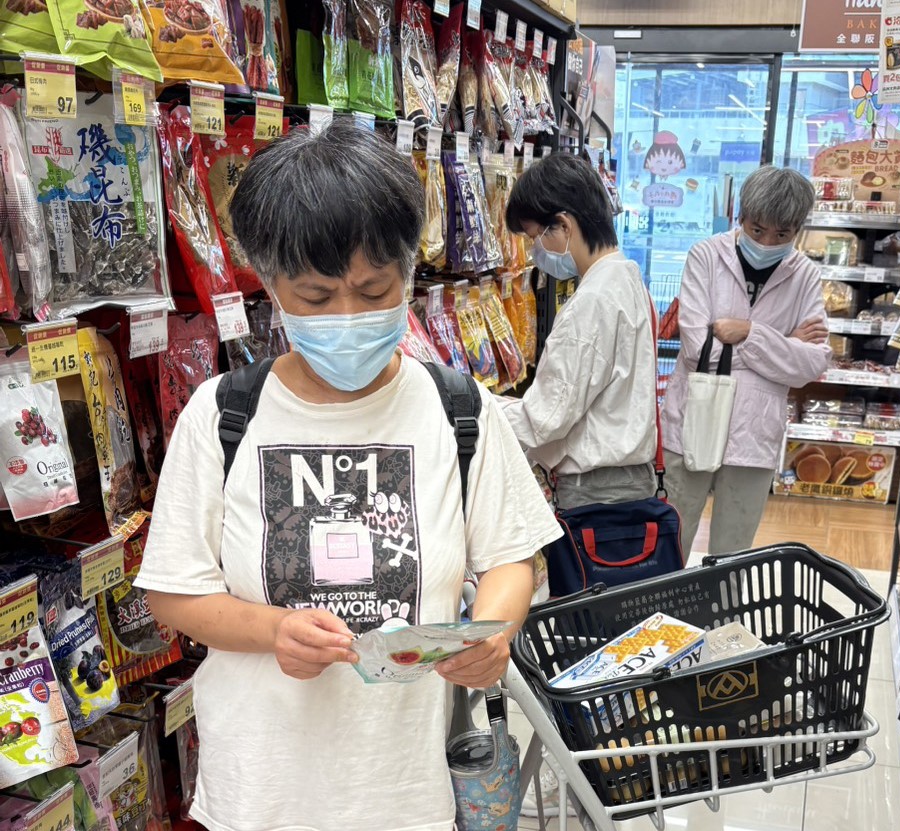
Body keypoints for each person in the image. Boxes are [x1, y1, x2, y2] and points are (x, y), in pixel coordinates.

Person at [134, 121, 561, 831]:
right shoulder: (223, 415)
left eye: (373, 290)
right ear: (270, 284)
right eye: (316, 296)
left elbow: (513, 554)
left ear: (407, 273)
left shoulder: (458, 410)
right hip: (261, 791)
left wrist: (494, 631)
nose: (348, 316)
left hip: (406, 788)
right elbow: (174, 595)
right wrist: (275, 630)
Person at [660, 165, 831, 558]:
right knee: (671, 542)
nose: (768, 241)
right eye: (757, 230)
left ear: (797, 231)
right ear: (741, 217)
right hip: (693, 421)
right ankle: (661, 618)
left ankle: (721, 620)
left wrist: (748, 332)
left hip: (754, 434)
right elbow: (697, 349)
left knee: (732, 555)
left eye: (782, 234)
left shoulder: (804, 275)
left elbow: (812, 364)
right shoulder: (705, 256)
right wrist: (784, 343)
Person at [499, 152, 658, 511]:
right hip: (627, 483)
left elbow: (546, 420)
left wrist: (477, 405)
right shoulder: (626, 276)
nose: (535, 251)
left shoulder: (592, 302)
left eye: (537, 236)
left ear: (564, 226)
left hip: (597, 493)